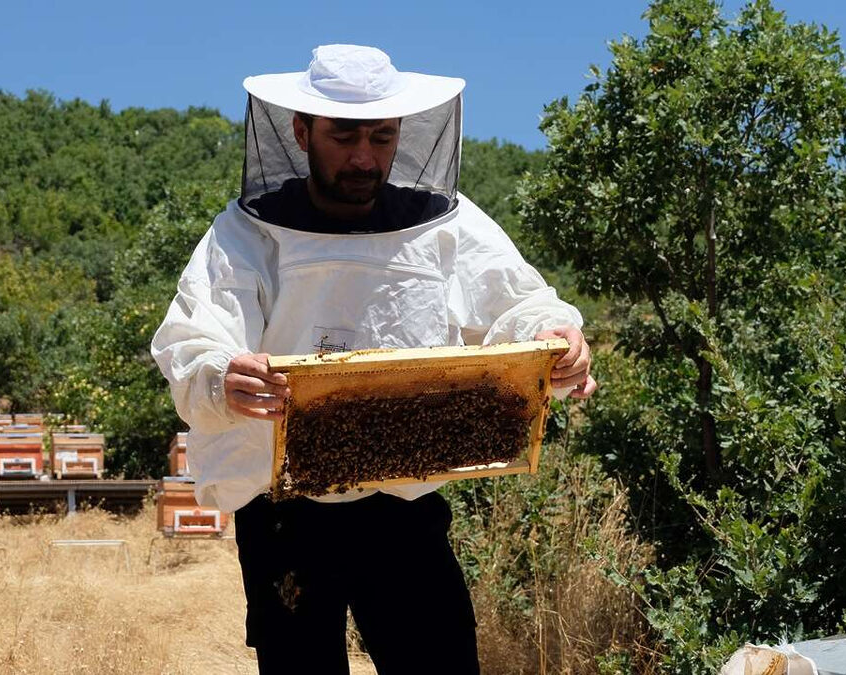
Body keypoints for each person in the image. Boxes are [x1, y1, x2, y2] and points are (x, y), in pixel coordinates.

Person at [151, 44, 596, 674]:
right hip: (285, 512)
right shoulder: (247, 233)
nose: (365, 157)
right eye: (344, 137)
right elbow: (194, 339)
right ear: (301, 132)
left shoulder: (447, 224)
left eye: (382, 137)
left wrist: (557, 339)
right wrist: (224, 378)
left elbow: (518, 303)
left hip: (403, 505)